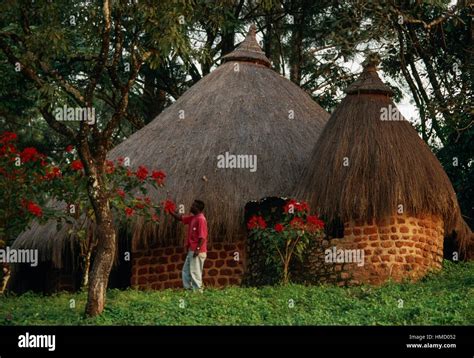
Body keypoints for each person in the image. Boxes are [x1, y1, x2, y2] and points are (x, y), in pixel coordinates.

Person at [168, 199, 208, 291]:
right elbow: (179, 218)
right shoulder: (193, 218)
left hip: (197, 251)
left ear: (197, 208)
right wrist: (170, 211)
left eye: (193, 205)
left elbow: (202, 237)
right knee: (186, 271)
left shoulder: (201, 219)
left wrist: (197, 249)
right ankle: (189, 290)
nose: (191, 206)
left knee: (195, 272)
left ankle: (197, 294)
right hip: (192, 250)